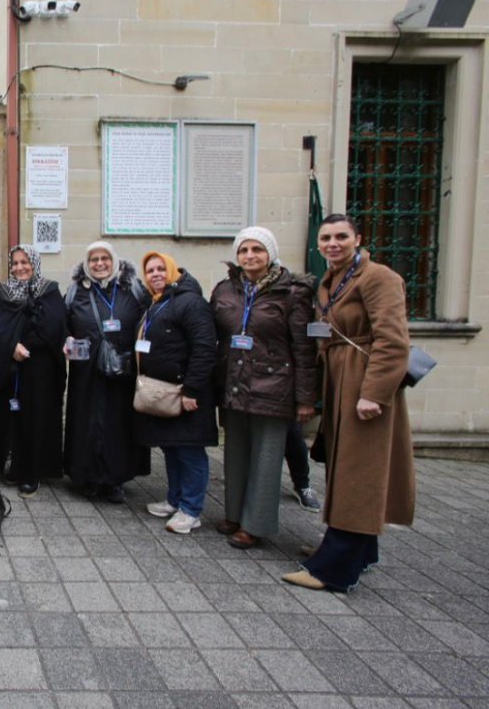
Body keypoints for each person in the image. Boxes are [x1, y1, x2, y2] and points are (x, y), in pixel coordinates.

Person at [283, 214, 414, 592]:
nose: (332, 243)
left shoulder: (379, 278)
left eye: (341, 236)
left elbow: (393, 341)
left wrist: (374, 393)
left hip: (364, 381)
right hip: (340, 380)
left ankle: (334, 569)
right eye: (326, 238)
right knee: (348, 466)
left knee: (359, 471)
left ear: (358, 238)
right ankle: (362, 552)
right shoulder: (331, 280)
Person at [210, 227, 317, 549]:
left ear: (270, 253)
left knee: (266, 458)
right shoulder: (226, 289)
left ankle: (255, 524)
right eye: (243, 250)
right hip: (234, 382)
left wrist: (305, 398)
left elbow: (303, 348)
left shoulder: (292, 292)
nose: (250, 256)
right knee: (236, 453)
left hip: (274, 385)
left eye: (257, 249)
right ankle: (234, 514)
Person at [136, 250, 218, 535]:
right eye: (150, 271)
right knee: (171, 446)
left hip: (186, 391)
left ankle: (191, 509)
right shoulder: (157, 303)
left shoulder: (190, 303)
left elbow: (205, 347)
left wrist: (192, 390)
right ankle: (175, 499)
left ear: (173, 271)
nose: (155, 274)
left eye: (161, 269)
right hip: (165, 392)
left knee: (189, 450)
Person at [62, 241, 150, 503]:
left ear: (114, 262)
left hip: (120, 370)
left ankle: (114, 480)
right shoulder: (75, 291)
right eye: (94, 260)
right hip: (86, 370)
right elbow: (63, 322)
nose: (99, 264)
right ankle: (87, 477)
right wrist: (66, 339)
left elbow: (149, 319)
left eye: (104, 259)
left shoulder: (131, 288)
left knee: (117, 424)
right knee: (86, 423)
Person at [0, 245, 67, 498]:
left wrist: (29, 344)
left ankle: (32, 471)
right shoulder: (5, 292)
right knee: (9, 415)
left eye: (25, 262)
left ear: (35, 263)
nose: (20, 267)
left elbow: (55, 327)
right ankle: (9, 464)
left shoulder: (49, 290)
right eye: (15, 263)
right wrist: (11, 346)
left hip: (40, 368)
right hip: (10, 367)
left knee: (35, 417)